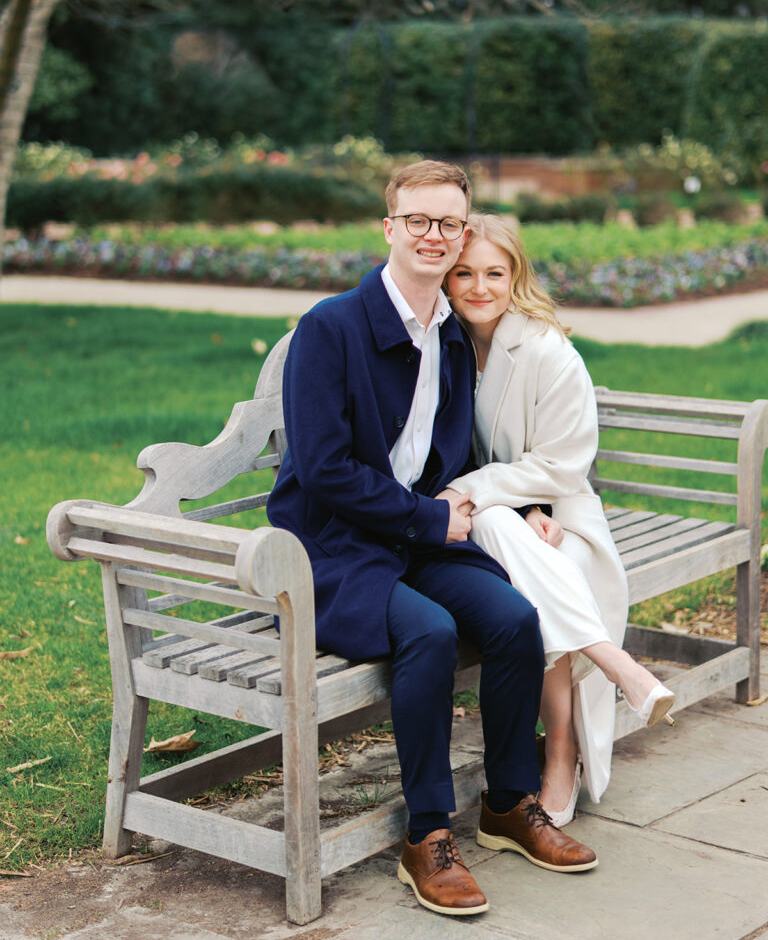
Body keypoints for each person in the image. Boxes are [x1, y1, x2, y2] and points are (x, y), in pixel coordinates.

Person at [267, 162, 598, 918]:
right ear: (389, 227)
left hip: (418, 536)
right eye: (418, 220)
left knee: (515, 621)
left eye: (449, 223)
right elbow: (322, 469)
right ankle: (428, 835)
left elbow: (464, 453)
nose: (435, 236)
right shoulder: (331, 328)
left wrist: (530, 502)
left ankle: (509, 802)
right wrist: (423, 520)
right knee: (432, 633)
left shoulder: (450, 334)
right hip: (335, 547)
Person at [444, 213, 675, 828]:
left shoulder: (547, 350)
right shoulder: (447, 345)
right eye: (463, 272)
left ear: (516, 275)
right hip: (505, 514)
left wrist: (521, 503)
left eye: (494, 272)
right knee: (502, 533)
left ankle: (562, 750)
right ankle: (615, 665)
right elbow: (447, 447)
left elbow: (565, 462)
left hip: (565, 513)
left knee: (538, 572)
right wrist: (516, 506)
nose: (478, 287)